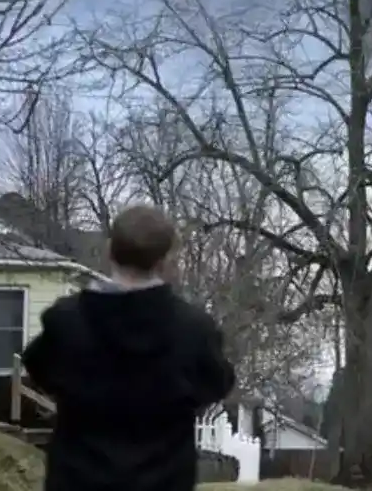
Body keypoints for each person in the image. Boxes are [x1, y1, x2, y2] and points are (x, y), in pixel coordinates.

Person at [22, 204, 236, 491]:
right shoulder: (194, 330)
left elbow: (38, 368)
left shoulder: (66, 322)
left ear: (109, 250)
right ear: (164, 261)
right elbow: (217, 383)